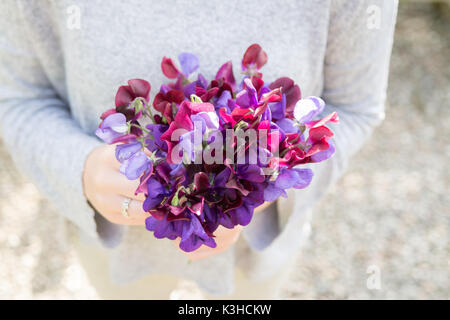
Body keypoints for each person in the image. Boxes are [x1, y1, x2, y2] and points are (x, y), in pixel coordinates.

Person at [0, 0, 398, 299]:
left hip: (257, 255)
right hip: (117, 256)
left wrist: (262, 185)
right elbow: (18, 97)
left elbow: (355, 110)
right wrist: (79, 169)